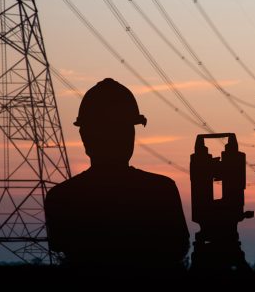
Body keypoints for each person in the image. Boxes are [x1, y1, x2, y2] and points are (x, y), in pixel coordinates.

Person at [44, 78, 190, 270]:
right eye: (122, 129)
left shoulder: (62, 197)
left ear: (85, 136)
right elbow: (177, 248)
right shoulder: (160, 191)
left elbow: (60, 246)